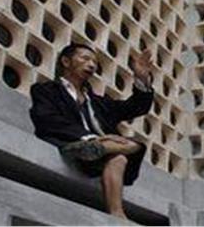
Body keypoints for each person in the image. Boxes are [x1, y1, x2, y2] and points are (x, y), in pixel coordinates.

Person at [29, 43, 154, 219]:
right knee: (117, 148)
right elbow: (47, 119)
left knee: (129, 150)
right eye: (85, 58)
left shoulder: (99, 103)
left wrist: (141, 79)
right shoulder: (45, 90)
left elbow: (135, 108)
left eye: (94, 62)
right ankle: (92, 147)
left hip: (102, 152)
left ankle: (117, 215)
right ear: (66, 61)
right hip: (68, 141)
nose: (91, 65)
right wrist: (90, 137)